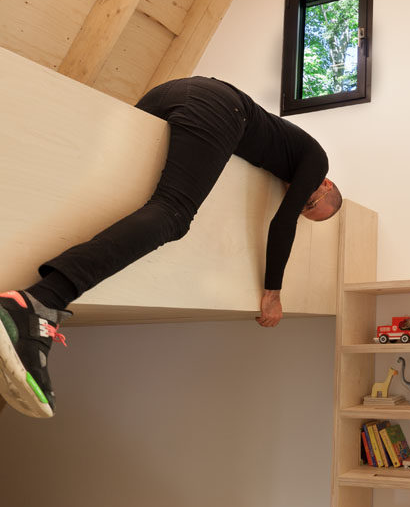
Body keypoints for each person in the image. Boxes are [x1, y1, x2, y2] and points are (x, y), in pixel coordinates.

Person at [0, 76, 341, 420]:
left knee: (120, 189)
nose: (301, 205)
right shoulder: (318, 161)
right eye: (311, 203)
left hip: (174, 92)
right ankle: (42, 301)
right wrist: (273, 292)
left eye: (305, 209)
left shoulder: (287, 155)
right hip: (224, 107)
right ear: (325, 184)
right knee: (174, 214)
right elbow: (282, 223)